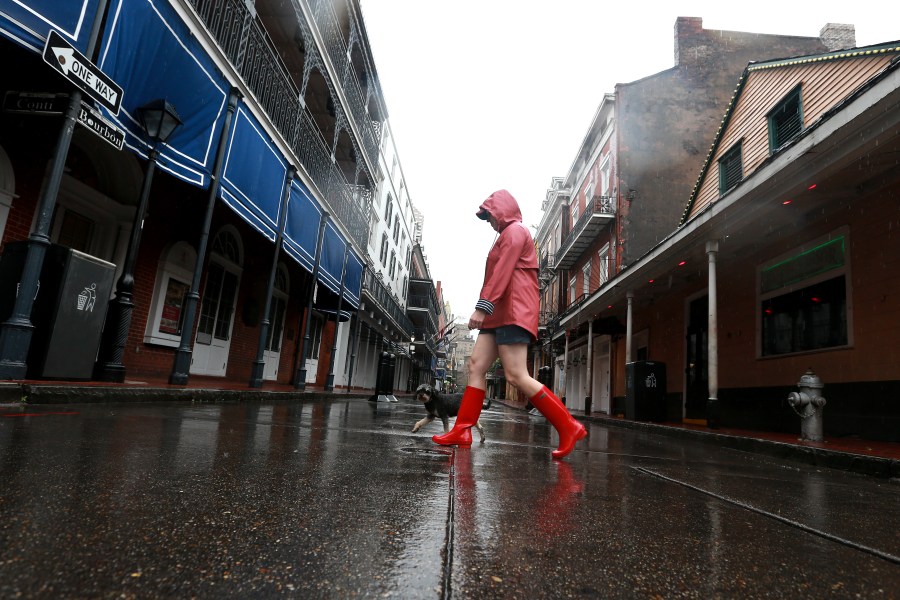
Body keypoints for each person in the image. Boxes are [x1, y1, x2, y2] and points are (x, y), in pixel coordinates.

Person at [433, 190, 587, 459]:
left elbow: (503, 270)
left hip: (514, 310)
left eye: (490, 216)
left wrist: (483, 306)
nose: (490, 222)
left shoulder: (515, 231)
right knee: (476, 366)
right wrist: (488, 308)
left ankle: (569, 425)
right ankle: (463, 429)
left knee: (516, 375)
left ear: (501, 210)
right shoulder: (506, 234)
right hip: (500, 312)